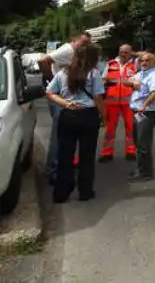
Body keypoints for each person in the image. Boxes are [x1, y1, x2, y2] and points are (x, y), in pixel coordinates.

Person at [45, 43, 105, 203]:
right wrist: (103, 117)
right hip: (88, 116)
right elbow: (98, 98)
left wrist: (65, 103)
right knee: (87, 156)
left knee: (64, 155)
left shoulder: (63, 72)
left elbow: (49, 92)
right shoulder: (93, 73)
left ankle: (61, 193)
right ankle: (85, 192)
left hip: (68, 116)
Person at [38, 32, 92, 183]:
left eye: (87, 44)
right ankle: (53, 169)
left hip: (63, 97)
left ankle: (59, 166)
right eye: (82, 43)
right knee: (58, 133)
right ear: (74, 41)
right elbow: (43, 61)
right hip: (59, 97)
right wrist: (51, 80)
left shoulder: (75, 53)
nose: (85, 46)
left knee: (64, 132)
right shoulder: (68, 50)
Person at [123, 52, 155, 182]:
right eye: (142, 61)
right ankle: (141, 168)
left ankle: (146, 173)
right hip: (136, 113)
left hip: (146, 113)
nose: (144, 63)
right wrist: (132, 84)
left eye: (147, 60)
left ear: (154, 62)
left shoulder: (154, 76)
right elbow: (125, 81)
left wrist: (144, 105)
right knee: (138, 143)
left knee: (143, 144)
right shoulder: (140, 74)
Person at [99, 44, 138, 163]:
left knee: (131, 128)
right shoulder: (110, 64)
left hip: (129, 102)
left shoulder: (135, 64)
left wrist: (135, 54)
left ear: (131, 53)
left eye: (126, 52)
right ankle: (107, 153)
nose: (123, 54)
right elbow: (103, 80)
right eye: (121, 51)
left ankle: (131, 151)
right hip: (111, 101)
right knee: (109, 129)